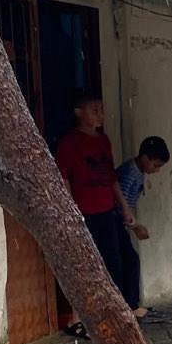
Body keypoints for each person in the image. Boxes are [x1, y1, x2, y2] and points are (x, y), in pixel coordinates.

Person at [55, 90, 137, 327]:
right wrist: (71, 212)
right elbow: (64, 178)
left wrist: (124, 208)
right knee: (85, 265)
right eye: (95, 110)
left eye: (101, 109)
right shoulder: (69, 143)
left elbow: (111, 178)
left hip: (106, 211)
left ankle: (115, 313)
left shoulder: (103, 141)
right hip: (84, 214)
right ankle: (79, 318)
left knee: (114, 262)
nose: (101, 114)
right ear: (79, 113)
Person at [116, 136, 171, 322]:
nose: (156, 170)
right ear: (145, 158)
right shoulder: (130, 173)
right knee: (130, 261)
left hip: (124, 222)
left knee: (129, 260)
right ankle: (130, 305)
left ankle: (132, 303)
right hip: (116, 221)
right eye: (156, 165)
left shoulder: (138, 172)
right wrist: (135, 226)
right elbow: (120, 201)